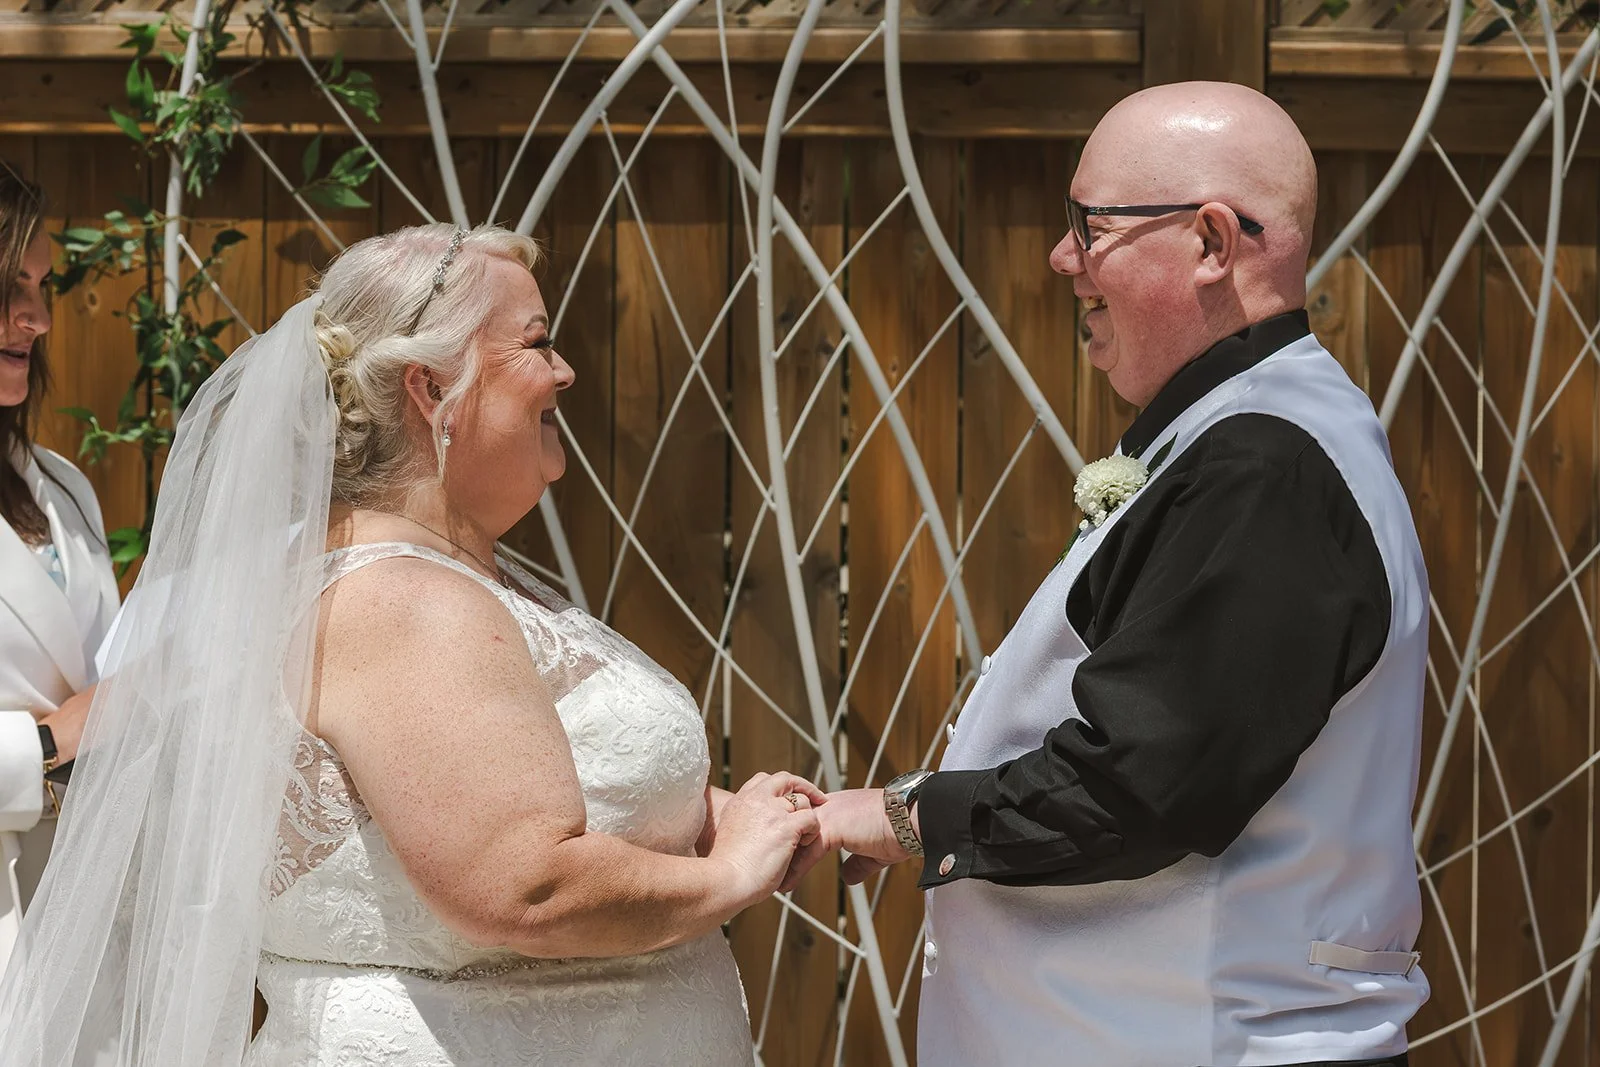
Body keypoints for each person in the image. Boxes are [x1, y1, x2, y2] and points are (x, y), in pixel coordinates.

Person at [0, 223, 823, 1066]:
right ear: (432, 389)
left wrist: (785, 818)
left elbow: (513, 785)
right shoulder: (400, 597)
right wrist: (730, 877)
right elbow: (526, 880)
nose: (565, 371)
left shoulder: (455, 574)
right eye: (538, 342)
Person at [805, 81, 1429, 1066]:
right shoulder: (1248, 438)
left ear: (1214, 243)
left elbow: (1141, 783)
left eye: (1089, 226)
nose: (1062, 258)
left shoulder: (1267, 466)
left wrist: (905, 817)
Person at [0, 163, 120, 979]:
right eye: (10, 284)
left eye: (41, 286)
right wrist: (45, 743)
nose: (37, 318)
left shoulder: (64, 484)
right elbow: (71, 719)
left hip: (83, 917)